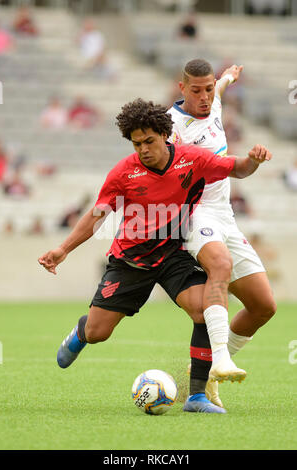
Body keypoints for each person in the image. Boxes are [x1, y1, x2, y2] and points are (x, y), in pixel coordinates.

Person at [38, 98, 272, 414]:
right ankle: (81, 332)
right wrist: (62, 249)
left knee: (204, 308)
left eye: (149, 141)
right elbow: (96, 215)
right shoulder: (123, 173)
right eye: (137, 144)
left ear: (164, 135)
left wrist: (254, 160)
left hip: (173, 254)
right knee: (98, 332)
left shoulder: (192, 159)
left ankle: (197, 396)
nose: (144, 149)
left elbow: (237, 168)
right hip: (131, 261)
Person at [168, 59, 276, 408]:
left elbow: (221, 88)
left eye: (209, 89)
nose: (204, 97)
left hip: (225, 216)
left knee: (263, 306)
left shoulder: (213, 101)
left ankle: (210, 367)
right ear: (181, 88)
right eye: (195, 90)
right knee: (220, 265)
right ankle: (219, 360)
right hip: (194, 214)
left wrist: (229, 76)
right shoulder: (172, 124)